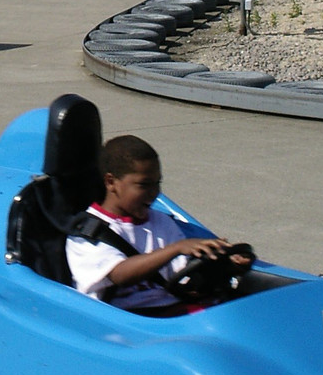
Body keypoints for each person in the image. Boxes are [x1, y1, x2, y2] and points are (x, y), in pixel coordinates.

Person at [66, 135, 252, 316]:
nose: (154, 192)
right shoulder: (87, 234)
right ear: (111, 182)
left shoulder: (160, 221)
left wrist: (226, 265)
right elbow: (120, 274)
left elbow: (184, 273)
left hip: (173, 309)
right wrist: (175, 249)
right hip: (127, 321)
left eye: (157, 183)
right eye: (144, 185)